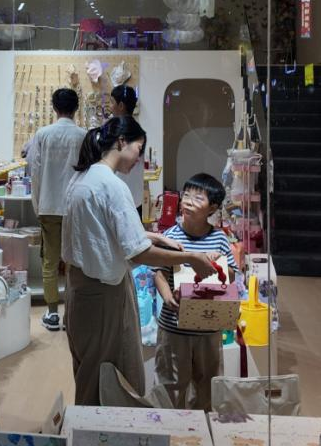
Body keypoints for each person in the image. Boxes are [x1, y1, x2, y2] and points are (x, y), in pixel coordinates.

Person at [62, 116, 217, 406]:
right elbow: (139, 253)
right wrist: (191, 257)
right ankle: (99, 427)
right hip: (103, 294)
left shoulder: (82, 178)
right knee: (107, 375)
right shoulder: (112, 185)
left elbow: (102, 231)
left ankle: (88, 424)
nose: (139, 157)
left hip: (79, 289)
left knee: (89, 369)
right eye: (139, 148)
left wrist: (153, 236)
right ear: (122, 142)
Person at [152, 172, 237, 411]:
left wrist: (218, 263)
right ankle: (171, 427)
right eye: (186, 195)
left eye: (197, 198)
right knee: (171, 386)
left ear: (213, 208)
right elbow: (158, 272)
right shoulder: (170, 237)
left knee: (207, 386)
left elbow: (232, 275)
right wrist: (166, 296)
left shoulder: (219, 239)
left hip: (209, 327)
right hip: (173, 326)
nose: (188, 202)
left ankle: (201, 427)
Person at [26, 88, 89, 331]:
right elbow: (89, 173)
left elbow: (35, 172)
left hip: (49, 206)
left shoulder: (43, 134)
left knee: (50, 262)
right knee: (75, 263)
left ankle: (52, 313)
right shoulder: (83, 136)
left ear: (54, 107)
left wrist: (38, 205)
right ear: (76, 108)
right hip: (76, 207)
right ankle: (72, 313)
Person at [110, 84, 146, 213]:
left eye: (112, 102)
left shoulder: (115, 131)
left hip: (118, 199)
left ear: (121, 106)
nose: (110, 107)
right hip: (135, 198)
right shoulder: (139, 130)